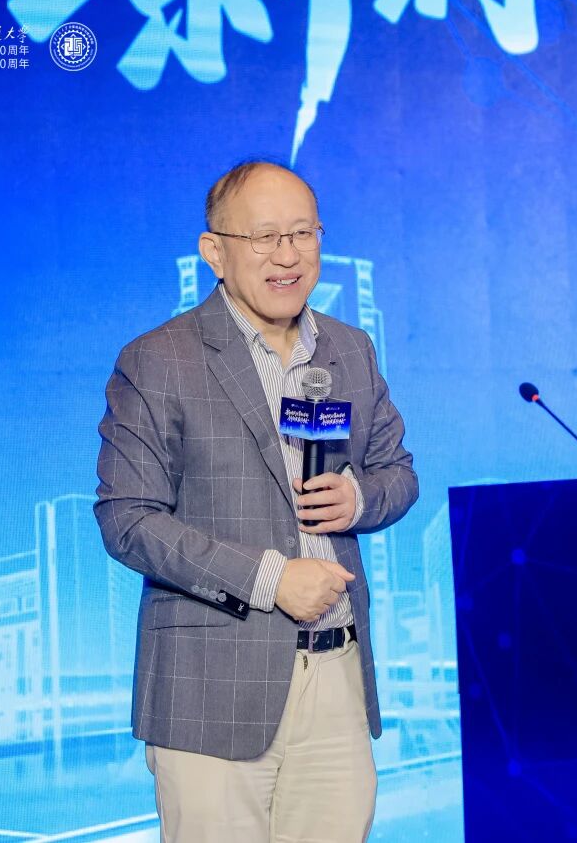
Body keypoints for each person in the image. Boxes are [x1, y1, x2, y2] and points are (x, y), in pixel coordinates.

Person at [94, 160, 418, 842]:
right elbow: (128, 519)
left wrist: (359, 498)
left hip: (336, 675)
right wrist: (270, 578)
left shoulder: (350, 349)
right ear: (214, 251)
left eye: (303, 233)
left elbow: (398, 472)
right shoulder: (159, 359)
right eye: (265, 237)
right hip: (211, 688)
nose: (288, 255)